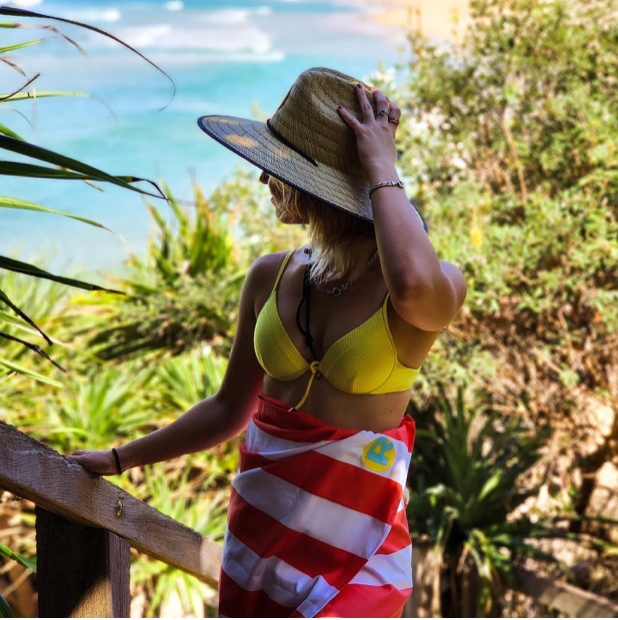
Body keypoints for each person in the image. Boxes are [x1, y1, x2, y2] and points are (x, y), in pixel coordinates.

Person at [67, 67, 466, 618]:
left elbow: (416, 287)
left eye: (279, 168)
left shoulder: (432, 284)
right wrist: (120, 458)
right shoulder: (270, 275)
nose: (262, 181)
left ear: (317, 181)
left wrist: (381, 167)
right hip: (259, 530)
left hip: (359, 547)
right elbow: (231, 408)